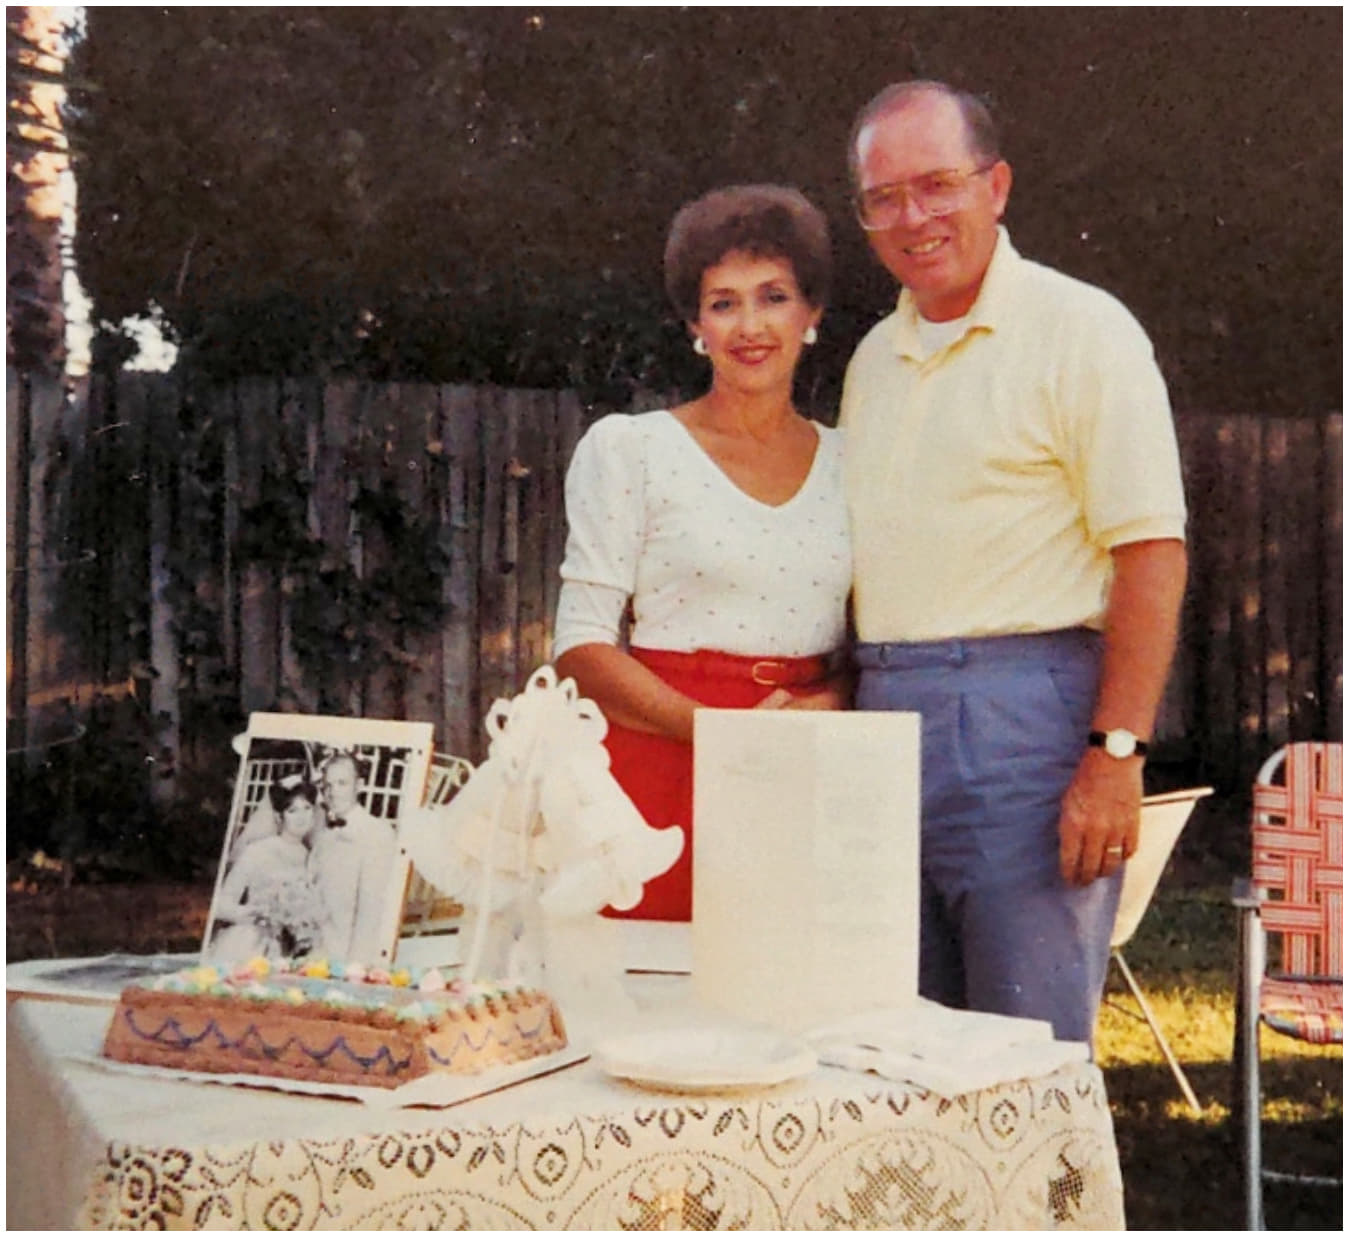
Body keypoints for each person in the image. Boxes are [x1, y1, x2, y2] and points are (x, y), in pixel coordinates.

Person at [840, 80, 1188, 1045]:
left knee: (1019, 1059)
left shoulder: (1084, 331)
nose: (912, 217)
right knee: (891, 1047)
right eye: (882, 197)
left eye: (937, 184)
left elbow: (1152, 555)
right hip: (878, 727)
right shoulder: (873, 357)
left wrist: (1115, 754)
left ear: (995, 186)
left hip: (1020, 731)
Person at [553, 184, 853, 922]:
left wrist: (822, 704)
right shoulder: (633, 449)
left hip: (802, 770)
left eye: (772, 296)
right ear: (695, 324)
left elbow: (870, 646)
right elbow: (580, 648)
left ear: (811, 313)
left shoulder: (856, 464)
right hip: (661, 769)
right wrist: (720, 733)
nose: (749, 325)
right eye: (723, 303)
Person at [207, 773, 326, 962]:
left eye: (307, 808)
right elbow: (221, 905)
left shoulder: (313, 857)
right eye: (292, 811)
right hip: (253, 944)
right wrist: (259, 915)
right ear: (279, 817)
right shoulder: (258, 851)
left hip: (296, 949)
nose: (301, 817)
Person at [307, 751, 395, 960]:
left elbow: (372, 910)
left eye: (342, 783)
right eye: (327, 785)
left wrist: (356, 965)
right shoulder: (322, 835)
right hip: (317, 948)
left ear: (359, 785)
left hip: (349, 952)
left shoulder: (377, 833)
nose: (333, 792)